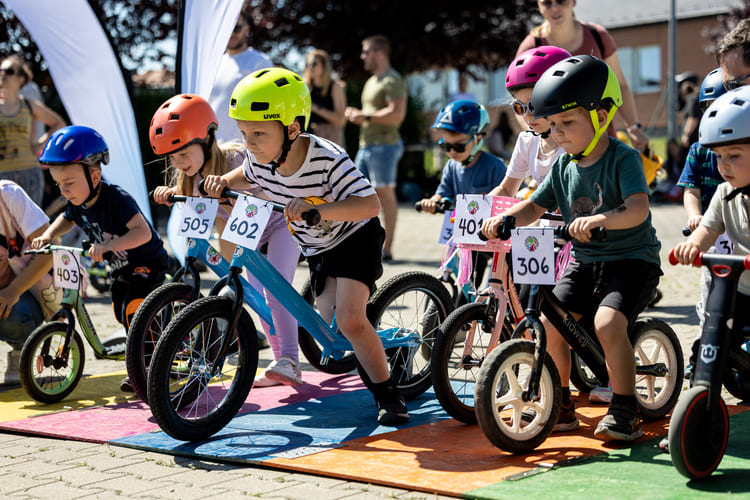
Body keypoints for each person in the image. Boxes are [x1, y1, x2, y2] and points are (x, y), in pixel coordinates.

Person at [202, 67, 409, 426]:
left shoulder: (326, 158)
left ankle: (388, 394)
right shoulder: (262, 159)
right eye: (245, 133)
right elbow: (247, 174)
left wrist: (321, 210)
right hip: (317, 246)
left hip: (355, 238)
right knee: (328, 329)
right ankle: (375, 343)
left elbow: (370, 204)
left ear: (292, 129)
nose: (249, 144)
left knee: (350, 320)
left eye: (259, 133)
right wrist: (223, 181)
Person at [481, 55, 662, 442]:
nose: (557, 133)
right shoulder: (564, 167)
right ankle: (561, 403)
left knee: (607, 323)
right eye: (553, 124)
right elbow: (534, 206)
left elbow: (638, 208)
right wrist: (506, 218)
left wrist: (601, 219)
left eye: (567, 123)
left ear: (600, 116)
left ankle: (625, 409)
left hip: (631, 261)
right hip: (585, 262)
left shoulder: (623, 159)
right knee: (550, 325)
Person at [149, 94, 303, 386]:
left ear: (206, 140)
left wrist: (231, 198)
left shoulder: (236, 159)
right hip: (249, 240)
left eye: (184, 154)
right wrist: (169, 195)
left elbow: (268, 191)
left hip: (281, 225)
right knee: (256, 296)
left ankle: (290, 360)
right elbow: (196, 206)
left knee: (276, 290)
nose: (179, 163)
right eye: (173, 158)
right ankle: (280, 361)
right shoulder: (192, 179)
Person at [32, 125, 169, 392]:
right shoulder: (78, 202)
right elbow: (67, 219)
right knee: (120, 311)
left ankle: (151, 365)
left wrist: (109, 246)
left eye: (69, 183)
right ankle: (152, 344)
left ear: (94, 177)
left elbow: (142, 232)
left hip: (147, 262)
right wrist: (48, 235)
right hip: (121, 268)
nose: (64, 191)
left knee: (134, 308)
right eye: (59, 184)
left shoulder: (116, 199)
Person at [672, 85, 750, 359]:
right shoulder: (724, 192)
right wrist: (693, 245)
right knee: (713, 340)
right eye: (718, 156)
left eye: (734, 155)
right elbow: (708, 227)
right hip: (739, 290)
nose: (723, 165)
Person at [515, 0, 648, 152]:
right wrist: (540, 136)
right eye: (547, 3)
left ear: (573, 2)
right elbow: (519, 101)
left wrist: (634, 128)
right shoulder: (532, 46)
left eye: (561, 1)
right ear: (539, 6)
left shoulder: (598, 36)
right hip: (558, 144)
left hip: (600, 138)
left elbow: (620, 85)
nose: (555, 8)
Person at [418, 99, 506, 286]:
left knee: (493, 280)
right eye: (446, 146)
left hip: (493, 235)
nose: (452, 152)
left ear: (478, 139)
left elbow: (507, 197)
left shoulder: (495, 166)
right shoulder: (452, 166)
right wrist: (433, 201)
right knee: (465, 280)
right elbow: (444, 192)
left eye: (458, 146)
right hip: (467, 234)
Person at [345, 35, 407, 262]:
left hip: (384, 146)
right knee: (355, 194)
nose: (362, 56)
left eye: (366, 51)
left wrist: (365, 116)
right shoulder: (372, 81)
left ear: (379, 52)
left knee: (385, 196)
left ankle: (387, 250)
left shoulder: (392, 80)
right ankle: (362, 245)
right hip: (366, 146)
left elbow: (397, 114)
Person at [489, 46, 570, 199]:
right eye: (519, 107)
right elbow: (506, 190)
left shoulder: (575, 144)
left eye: (535, 105)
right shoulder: (528, 141)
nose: (527, 115)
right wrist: (477, 207)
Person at [0, 180, 54, 384]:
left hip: (27, 293)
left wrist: (14, 290)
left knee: (14, 317)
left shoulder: (8, 195)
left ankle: (21, 350)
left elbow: (49, 250)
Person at [0, 55, 65, 206]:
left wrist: (39, 145)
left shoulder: (29, 105)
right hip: (2, 175)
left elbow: (58, 123)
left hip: (29, 172)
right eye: (0, 70)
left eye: (9, 71)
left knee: (29, 221)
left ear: (21, 79)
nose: (2, 74)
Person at [208, 13, 273, 145]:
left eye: (236, 28)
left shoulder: (260, 62)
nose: (231, 33)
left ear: (246, 30)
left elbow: (268, 108)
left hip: (243, 147)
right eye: (227, 29)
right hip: (214, 147)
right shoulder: (214, 63)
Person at [303, 49, 347, 147]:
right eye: (307, 64)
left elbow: (341, 121)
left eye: (314, 64)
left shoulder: (335, 86)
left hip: (330, 140)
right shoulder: (305, 87)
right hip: (309, 139)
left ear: (324, 65)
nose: (310, 67)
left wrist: (314, 107)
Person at [676, 71, 701, 167]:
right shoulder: (694, 99)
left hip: (692, 138)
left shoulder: (692, 99)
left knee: (685, 162)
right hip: (694, 138)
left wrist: (686, 135)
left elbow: (692, 118)